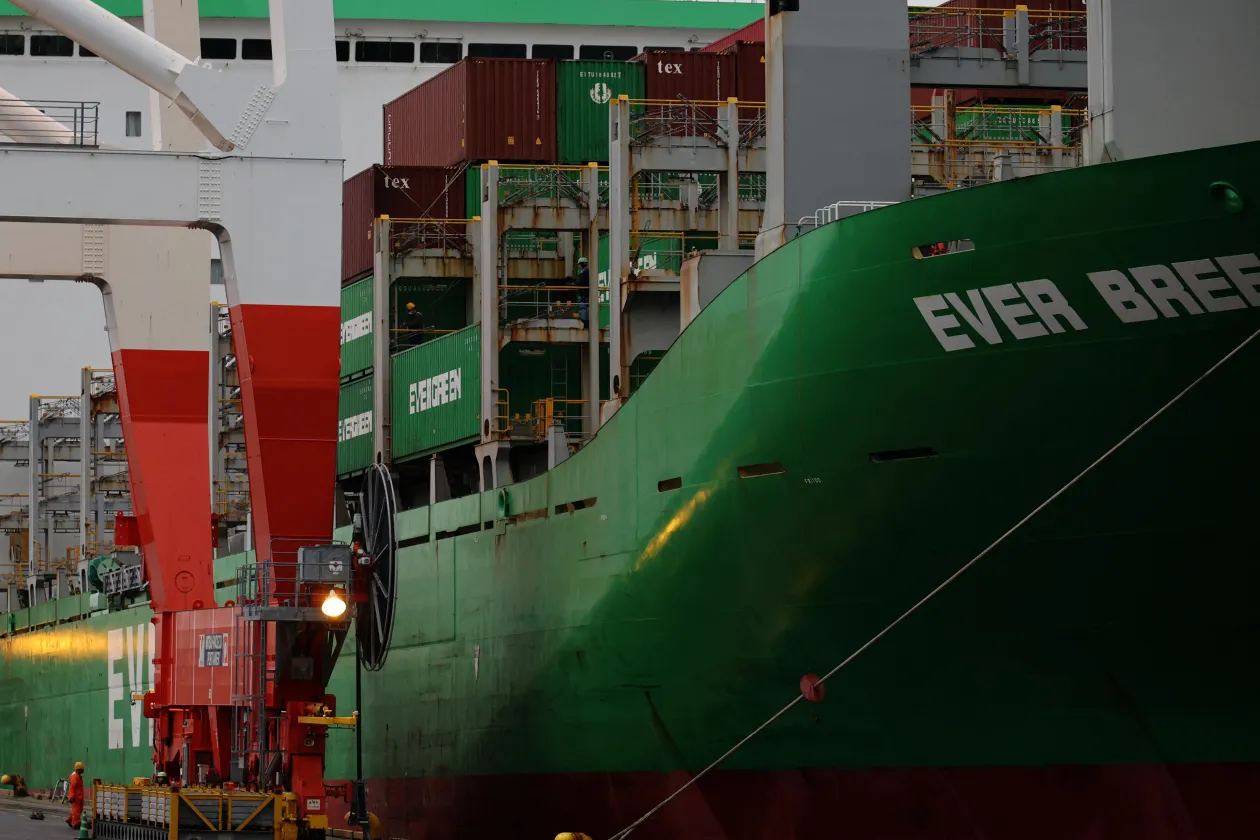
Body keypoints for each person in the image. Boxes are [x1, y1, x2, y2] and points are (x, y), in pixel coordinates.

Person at [66, 762, 84, 830]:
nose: (83, 771)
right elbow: (72, 787)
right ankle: (76, 823)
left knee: (79, 810)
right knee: (76, 811)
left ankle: (69, 819)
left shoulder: (78, 775)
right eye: (82, 769)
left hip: (79, 796)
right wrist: (71, 796)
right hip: (75, 797)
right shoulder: (74, 776)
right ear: (78, 769)